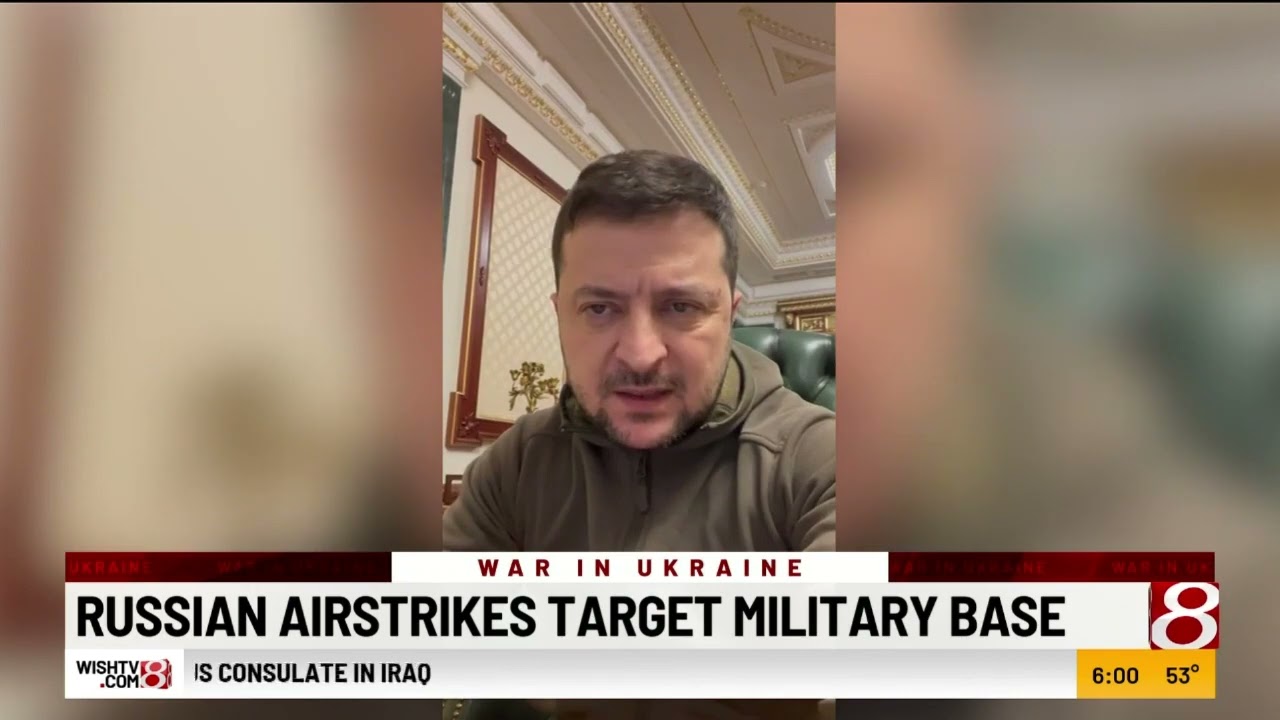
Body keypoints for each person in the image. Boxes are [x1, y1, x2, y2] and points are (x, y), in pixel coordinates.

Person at [445, 149, 835, 553]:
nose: (640, 355)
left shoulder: (821, 459)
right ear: (560, 315)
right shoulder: (518, 462)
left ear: (730, 318)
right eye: (599, 309)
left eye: (681, 307)